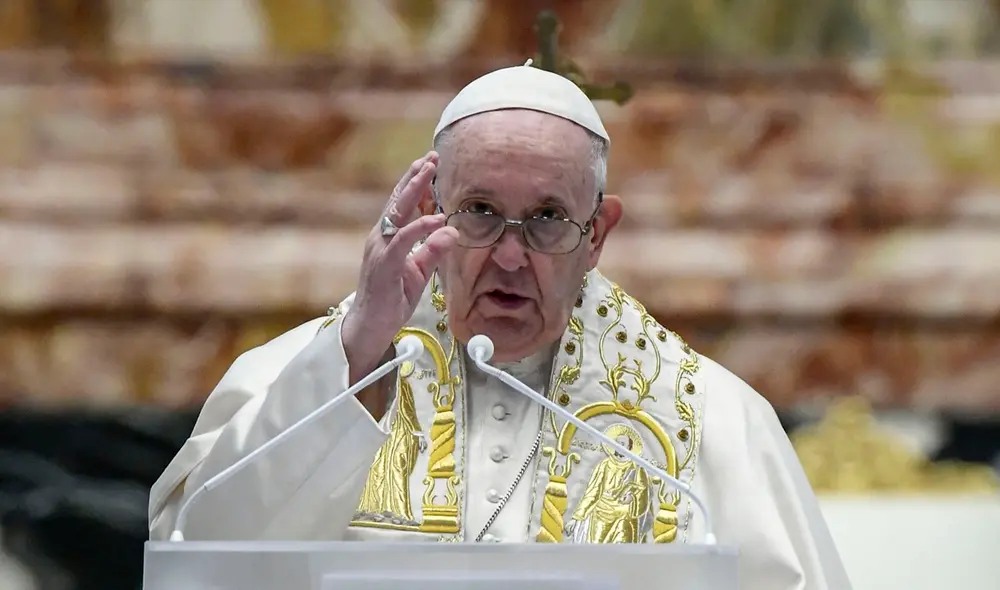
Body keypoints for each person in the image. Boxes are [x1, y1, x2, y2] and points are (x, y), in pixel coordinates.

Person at [149, 62, 851, 589]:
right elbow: (202, 558)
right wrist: (357, 358)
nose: (510, 257)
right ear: (431, 204)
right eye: (479, 210)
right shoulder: (299, 378)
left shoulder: (711, 418)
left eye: (547, 218)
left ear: (597, 234)